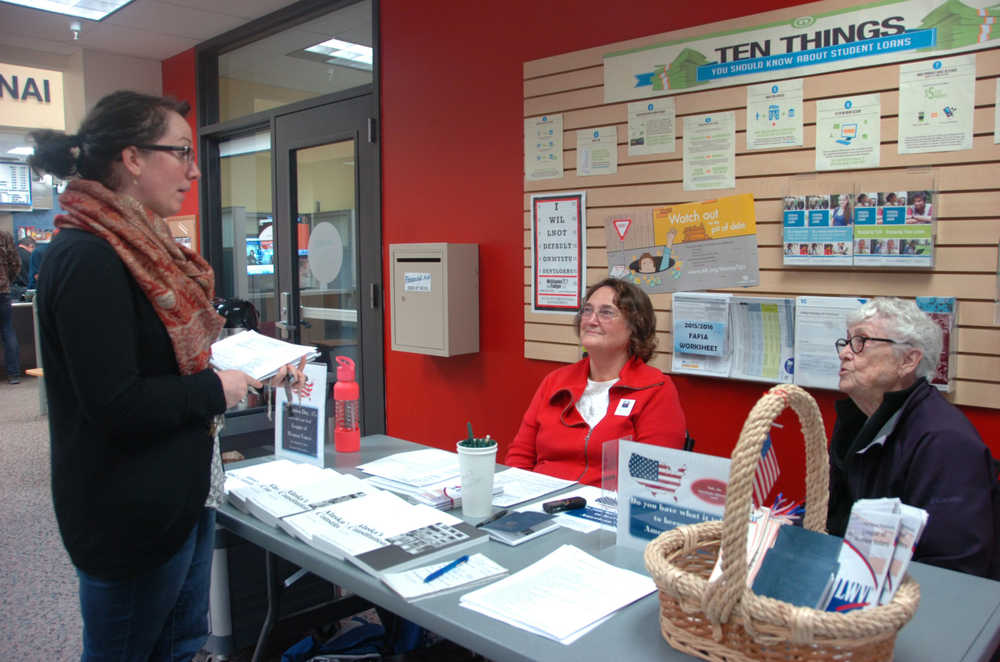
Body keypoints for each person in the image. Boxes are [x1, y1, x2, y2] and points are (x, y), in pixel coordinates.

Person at [29, 90, 304, 661]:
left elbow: (159, 355)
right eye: (180, 152)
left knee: (180, 648)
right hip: (128, 518)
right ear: (132, 159)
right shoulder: (89, 258)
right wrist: (216, 388)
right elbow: (115, 403)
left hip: (183, 498)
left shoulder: (146, 249)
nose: (194, 169)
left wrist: (246, 364)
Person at [828, 297, 999, 579]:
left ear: (908, 360)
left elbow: (953, 570)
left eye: (861, 342)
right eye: (846, 342)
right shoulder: (860, 420)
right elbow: (837, 520)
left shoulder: (945, 442)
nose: (845, 353)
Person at [505, 277, 686, 485]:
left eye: (606, 313)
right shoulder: (555, 382)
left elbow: (652, 480)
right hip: (539, 503)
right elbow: (520, 456)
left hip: (606, 509)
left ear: (635, 326)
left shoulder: (656, 389)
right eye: (587, 311)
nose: (591, 320)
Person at [0, 229, 21, 384]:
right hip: (3, 290)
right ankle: (14, 374)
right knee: (8, 331)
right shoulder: (4, 236)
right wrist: (8, 280)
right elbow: (15, 262)